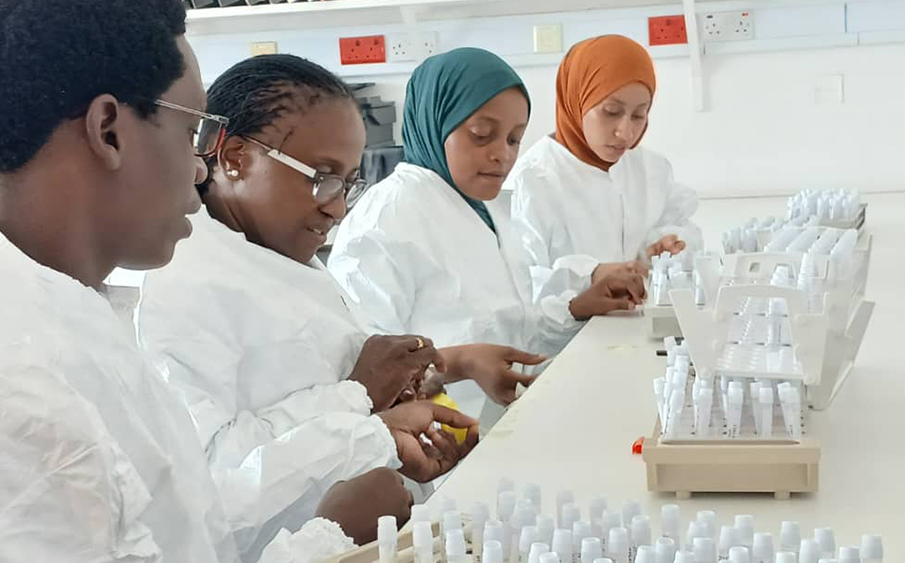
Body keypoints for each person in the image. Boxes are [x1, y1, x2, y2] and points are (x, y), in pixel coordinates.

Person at [0, 2, 464, 561]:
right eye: (192, 131)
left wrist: (371, 426)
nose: (201, 166)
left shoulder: (72, 316)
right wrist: (327, 534)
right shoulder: (26, 386)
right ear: (109, 130)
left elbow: (189, 522)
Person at [136, 54, 539, 559]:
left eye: (348, 181)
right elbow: (212, 481)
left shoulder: (278, 249)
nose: (338, 205)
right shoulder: (181, 284)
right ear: (236, 156)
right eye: (320, 176)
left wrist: (402, 412)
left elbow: (321, 389)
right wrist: (362, 408)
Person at [328, 48, 645, 419]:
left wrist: (575, 309)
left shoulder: (487, 207)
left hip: (501, 427)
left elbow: (512, 328)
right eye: (482, 135)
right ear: (436, 121)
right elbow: (362, 373)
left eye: (513, 140)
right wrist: (459, 363)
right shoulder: (387, 217)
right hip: (431, 450)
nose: (503, 155)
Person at [507, 35, 702, 293]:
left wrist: (664, 247)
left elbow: (682, 229)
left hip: (640, 325)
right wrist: (591, 276)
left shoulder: (651, 169)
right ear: (576, 100)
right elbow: (523, 286)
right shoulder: (533, 179)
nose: (626, 132)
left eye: (639, 115)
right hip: (573, 334)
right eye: (611, 112)